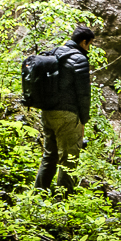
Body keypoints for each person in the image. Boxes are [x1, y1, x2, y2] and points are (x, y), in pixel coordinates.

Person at [34, 25, 95, 192]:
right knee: (69, 159)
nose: (88, 48)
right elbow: (83, 94)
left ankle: (38, 194)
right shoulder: (80, 59)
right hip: (67, 114)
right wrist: (83, 120)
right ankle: (63, 200)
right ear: (84, 42)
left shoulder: (54, 53)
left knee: (49, 156)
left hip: (47, 111)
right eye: (89, 44)